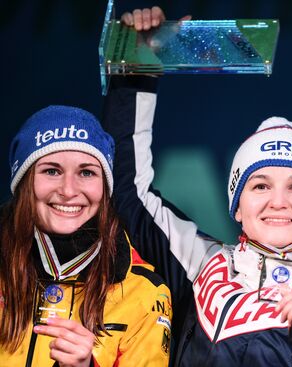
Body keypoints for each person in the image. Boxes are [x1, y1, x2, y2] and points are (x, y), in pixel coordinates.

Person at [101, 8, 292, 367]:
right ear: (236, 207)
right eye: (259, 186)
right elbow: (127, 194)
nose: (279, 201)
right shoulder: (202, 262)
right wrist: (136, 69)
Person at [0, 105, 172, 366]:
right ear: (24, 181)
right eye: (52, 171)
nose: (68, 190)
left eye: (86, 172)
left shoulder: (144, 291)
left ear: (104, 187)